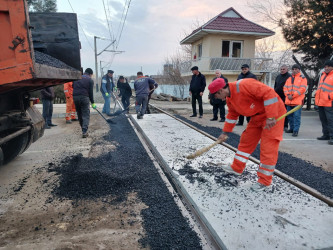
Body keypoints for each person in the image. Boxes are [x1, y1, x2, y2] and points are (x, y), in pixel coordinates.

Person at [208, 78, 286, 191]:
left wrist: (271, 116)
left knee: (268, 147)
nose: (217, 99)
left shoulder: (245, 85)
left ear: (220, 91)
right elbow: (232, 115)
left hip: (273, 114)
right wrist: (225, 133)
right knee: (246, 140)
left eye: (216, 96)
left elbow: (269, 94)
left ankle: (264, 182)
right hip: (257, 116)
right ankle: (237, 168)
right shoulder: (230, 99)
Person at [283, 64, 307, 137]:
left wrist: (292, 96)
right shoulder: (289, 79)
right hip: (289, 101)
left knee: (296, 117)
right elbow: (285, 88)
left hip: (297, 102)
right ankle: (292, 128)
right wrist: (288, 95)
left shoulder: (303, 78)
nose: (294, 70)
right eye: (293, 69)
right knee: (290, 116)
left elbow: (302, 89)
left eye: (296, 69)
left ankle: (295, 130)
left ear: (299, 70)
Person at [73, 68, 96, 138]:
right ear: (90, 74)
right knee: (86, 114)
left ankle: (83, 129)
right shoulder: (90, 80)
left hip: (75, 97)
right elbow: (90, 93)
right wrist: (93, 102)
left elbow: (73, 86)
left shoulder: (77, 78)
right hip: (84, 98)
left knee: (79, 113)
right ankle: (84, 131)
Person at [315, 60, 333, 145]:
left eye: (328, 66)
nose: (326, 68)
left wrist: (329, 96)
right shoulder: (323, 76)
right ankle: (326, 134)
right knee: (323, 119)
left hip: (329, 102)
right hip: (321, 101)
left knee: (330, 120)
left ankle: (332, 136)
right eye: (325, 67)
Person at [274, 65, 291, 130]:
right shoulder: (278, 76)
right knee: (277, 111)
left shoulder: (289, 77)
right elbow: (275, 85)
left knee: (285, 111)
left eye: (283, 69)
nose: (282, 70)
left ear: (287, 70)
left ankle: (285, 125)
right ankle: (278, 124)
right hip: (278, 96)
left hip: (285, 96)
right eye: (281, 69)